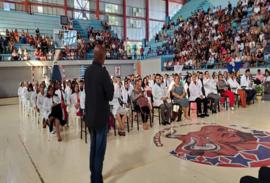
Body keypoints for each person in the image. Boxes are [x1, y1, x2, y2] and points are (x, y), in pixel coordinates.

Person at [84, 45, 114, 183]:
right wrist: (110, 82)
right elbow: (110, 95)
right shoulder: (103, 72)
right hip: (100, 117)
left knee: (93, 147)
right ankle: (97, 180)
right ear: (102, 57)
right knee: (99, 151)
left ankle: (92, 176)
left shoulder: (87, 71)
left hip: (90, 116)